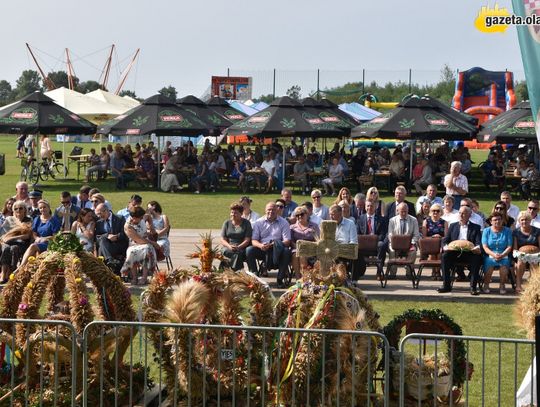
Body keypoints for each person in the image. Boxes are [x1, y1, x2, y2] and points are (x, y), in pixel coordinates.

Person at [437, 205, 482, 295]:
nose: (461, 215)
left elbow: (478, 242)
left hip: (469, 253)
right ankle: (446, 285)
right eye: (460, 213)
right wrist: (445, 246)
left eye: (464, 213)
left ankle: (473, 287)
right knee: (445, 256)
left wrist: (477, 248)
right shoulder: (453, 226)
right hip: (454, 252)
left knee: (477, 258)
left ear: (469, 215)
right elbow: (445, 239)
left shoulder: (476, 227)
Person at [246, 201, 292, 288]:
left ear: (277, 210)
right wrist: (261, 246)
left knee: (286, 251)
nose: (271, 212)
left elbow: (287, 241)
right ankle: (255, 277)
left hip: (278, 248)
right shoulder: (258, 222)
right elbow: (254, 240)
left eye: (273, 210)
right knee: (249, 250)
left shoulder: (284, 223)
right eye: (269, 210)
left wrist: (274, 244)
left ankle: (280, 279)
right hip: (263, 249)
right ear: (265, 210)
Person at [120, 206, 159, 285]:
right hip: (135, 244)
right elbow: (139, 240)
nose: (142, 219)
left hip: (146, 243)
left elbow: (148, 216)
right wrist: (153, 243)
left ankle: (144, 277)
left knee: (147, 249)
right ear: (134, 217)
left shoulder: (142, 217)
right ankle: (135, 277)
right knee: (132, 252)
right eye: (140, 218)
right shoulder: (128, 226)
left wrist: (151, 227)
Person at [17, 200, 61, 269]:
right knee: (34, 249)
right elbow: (34, 233)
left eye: (44, 207)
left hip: (49, 243)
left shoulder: (54, 220)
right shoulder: (37, 219)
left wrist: (45, 238)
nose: (42, 209)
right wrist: (37, 238)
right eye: (40, 208)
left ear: (49, 208)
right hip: (38, 241)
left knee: (33, 246)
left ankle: (20, 267)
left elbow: (55, 236)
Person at [355, 200, 388, 279]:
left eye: (371, 206)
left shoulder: (381, 219)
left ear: (376, 207)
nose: (369, 208)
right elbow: (357, 233)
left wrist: (373, 240)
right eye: (368, 206)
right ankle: (358, 272)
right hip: (363, 243)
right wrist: (366, 240)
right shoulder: (360, 218)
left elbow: (383, 234)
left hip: (376, 243)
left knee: (382, 245)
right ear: (365, 207)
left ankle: (379, 272)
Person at [0, 201, 33, 282]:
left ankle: (12, 270)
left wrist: (13, 238)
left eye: (21, 208)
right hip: (7, 242)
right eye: (16, 209)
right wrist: (6, 239)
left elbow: (27, 235)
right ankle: (3, 273)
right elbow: (3, 234)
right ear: (13, 210)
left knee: (14, 248)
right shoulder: (9, 219)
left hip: (21, 242)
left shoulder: (29, 219)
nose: (18, 210)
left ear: (25, 210)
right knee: (6, 248)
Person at [482, 212, 513, 294]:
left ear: (502, 220)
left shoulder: (508, 231)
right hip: (490, 254)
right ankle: (486, 284)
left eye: (499, 219)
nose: (497, 221)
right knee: (489, 264)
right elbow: (485, 247)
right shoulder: (486, 231)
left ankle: (502, 285)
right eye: (495, 220)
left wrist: (502, 255)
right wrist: (493, 254)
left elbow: (509, 246)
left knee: (504, 266)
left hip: (504, 254)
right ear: (491, 222)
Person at [94, 203, 129, 273]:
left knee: (101, 248)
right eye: (97, 214)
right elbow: (97, 238)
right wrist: (107, 235)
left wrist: (116, 237)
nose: (99, 216)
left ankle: (103, 270)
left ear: (106, 211)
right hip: (106, 246)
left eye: (99, 214)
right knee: (102, 240)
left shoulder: (120, 218)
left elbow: (125, 233)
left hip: (118, 245)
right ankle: (110, 261)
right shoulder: (99, 222)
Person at [513, 211, 540, 292]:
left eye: (526, 219)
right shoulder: (516, 232)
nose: (524, 221)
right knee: (521, 261)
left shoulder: (537, 231)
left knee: (533, 261)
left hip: (536, 255)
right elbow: (515, 249)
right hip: (521, 255)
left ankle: (534, 285)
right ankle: (518, 284)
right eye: (522, 220)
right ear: (519, 221)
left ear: (530, 220)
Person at [220, 202, 252, 271]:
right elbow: (223, 239)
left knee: (238, 254)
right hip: (228, 247)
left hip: (242, 247)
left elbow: (247, 240)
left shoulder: (246, 223)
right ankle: (238, 272)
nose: (233, 214)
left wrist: (238, 247)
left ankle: (227, 270)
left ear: (241, 214)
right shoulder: (227, 223)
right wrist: (229, 246)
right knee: (233, 253)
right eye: (232, 212)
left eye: (235, 213)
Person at [387, 202, 420, 268]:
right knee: (392, 250)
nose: (404, 213)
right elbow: (390, 234)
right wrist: (396, 243)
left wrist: (410, 243)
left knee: (413, 251)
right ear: (398, 211)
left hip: (409, 244)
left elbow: (416, 235)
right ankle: (392, 273)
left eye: (405, 211)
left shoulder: (414, 220)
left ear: (408, 210)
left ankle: (409, 271)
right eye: (402, 211)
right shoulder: (392, 220)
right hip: (395, 244)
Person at [290, 206, 319, 278]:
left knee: (303, 254)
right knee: (297, 254)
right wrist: (298, 247)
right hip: (297, 249)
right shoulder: (292, 227)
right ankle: (298, 278)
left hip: (312, 249)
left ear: (307, 214)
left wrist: (310, 246)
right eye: (297, 215)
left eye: (302, 214)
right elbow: (291, 241)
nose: (299, 216)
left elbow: (319, 240)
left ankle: (305, 277)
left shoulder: (314, 226)